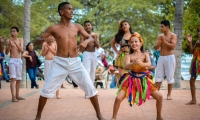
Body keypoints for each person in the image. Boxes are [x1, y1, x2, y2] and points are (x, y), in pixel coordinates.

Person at [34, 2, 105, 120]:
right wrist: (42, 39)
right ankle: (37, 117)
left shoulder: (77, 26)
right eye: (69, 9)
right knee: (46, 89)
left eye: (72, 9)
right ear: (62, 12)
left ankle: (99, 115)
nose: (72, 11)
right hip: (59, 63)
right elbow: (37, 40)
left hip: (75, 62)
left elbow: (91, 37)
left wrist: (85, 42)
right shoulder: (54, 28)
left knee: (90, 87)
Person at [111, 33, 163, 120]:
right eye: (132, 42)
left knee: (160, 97)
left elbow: (149, 64)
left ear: (141, 43)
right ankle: (113, 118)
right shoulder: (129, 55)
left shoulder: (145, 54)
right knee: (118, 98)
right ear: (130, 44)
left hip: (144, 80)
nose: (134, 44)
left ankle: (159, 117)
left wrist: (142, 63)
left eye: (136, 42)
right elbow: (127, 66)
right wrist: (133, 63)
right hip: (131, 80)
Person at [154, 20, 177, 100]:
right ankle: (156, 93)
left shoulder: (173, 35)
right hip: (161, 57)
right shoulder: (160, 36)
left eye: (162, 26)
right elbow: (156, 48)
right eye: (160, 26)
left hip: (170, 57)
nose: (161, 28)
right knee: (158, 75)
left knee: (170, 76)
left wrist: (164, 41)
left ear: (167, 27)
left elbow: (173, 46)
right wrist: (159, 42)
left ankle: (169, 94)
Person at [5, 26, 25, 102]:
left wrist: (15, 43)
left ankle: (17, 95)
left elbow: (21, 50)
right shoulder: (8, 41)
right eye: (11, 31)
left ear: (17, 33)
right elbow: (6, 52)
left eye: (14, 31)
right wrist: (10, 44)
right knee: (13, 78)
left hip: (19, 60)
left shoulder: (20, 40)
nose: (12, 33)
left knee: (19, 79)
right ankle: (13, 97)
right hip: (12, 60)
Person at [185, 25, 200, 105]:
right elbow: (192, 51)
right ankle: (193, 100)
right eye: (198, 31)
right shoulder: (197, 41)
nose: (199, 32)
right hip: (196, 63)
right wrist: (190, 42)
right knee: (191, 81)